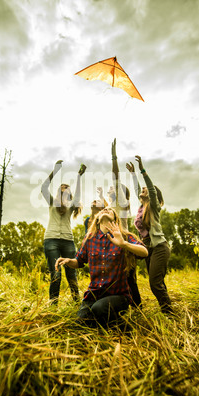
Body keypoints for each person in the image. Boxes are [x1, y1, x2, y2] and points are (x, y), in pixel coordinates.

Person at [55, 207, 148, 328]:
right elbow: (79, 261)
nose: (105, 209)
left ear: (115, 219)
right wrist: (68, 261)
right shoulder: (90, 239)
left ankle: (128, 329)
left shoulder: (124, 236)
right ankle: (108, 325)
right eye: (103, 210)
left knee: (98, 310)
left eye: (110, 210)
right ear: (97, 220)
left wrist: (124, 244)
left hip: (118, 296)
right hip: (94, 294)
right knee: (80, 325)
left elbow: (144, 252)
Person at [126, 156, 173, 314]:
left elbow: (151, 190)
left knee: (154, 284)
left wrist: (142, 170)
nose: (142, 190)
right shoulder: (141, 208)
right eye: (142, 190)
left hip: (159, 247)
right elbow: (136, 189)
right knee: (157, 282)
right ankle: (167, 309)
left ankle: (169, 313)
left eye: (145, 190)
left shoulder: (153, 207)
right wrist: (133, 174)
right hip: (148, 249)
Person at [41, 160, 86, 304]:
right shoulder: (52, 202)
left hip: (68, 241)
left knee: (71, 274)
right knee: (56, 274)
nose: (64, 187)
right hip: (51, 240)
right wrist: (55, 171)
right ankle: (53, 307)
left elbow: (78, 196)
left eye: (67, 187)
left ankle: (76, 304)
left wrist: (79, 176)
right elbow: (43, 187)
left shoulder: (71, 205)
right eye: (62, 186)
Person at [110, 138, 143, 308]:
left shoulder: (121, 202)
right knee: (122, 278)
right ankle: (127, 307)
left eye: (114, 188)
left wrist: (114, 157)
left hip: (123, 244)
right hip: (116, 244)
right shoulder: (113, 206)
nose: (111, 189)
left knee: (129, 278)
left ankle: (137, 308)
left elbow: (115, 177)